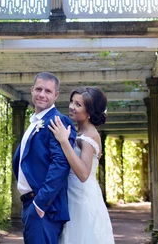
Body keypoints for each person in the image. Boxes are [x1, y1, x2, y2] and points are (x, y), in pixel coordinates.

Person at [12, 72, 77, 243]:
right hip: (30, 205)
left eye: (48, 91)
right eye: (39, 89)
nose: (42, 94)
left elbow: (61, 164)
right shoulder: (34, 122)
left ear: (56, 95)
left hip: (45, 208)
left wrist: (40, 203)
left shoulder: (58, 122)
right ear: (31, 90)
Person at [48, 86, 115, 244]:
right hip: (71, 193)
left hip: (82, 196)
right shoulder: (79, 132)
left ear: (90, 111)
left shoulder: (89, 135)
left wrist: (64, 141)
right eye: (72, 102)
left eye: (78, 104)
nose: (71, 106)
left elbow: (84, 174)